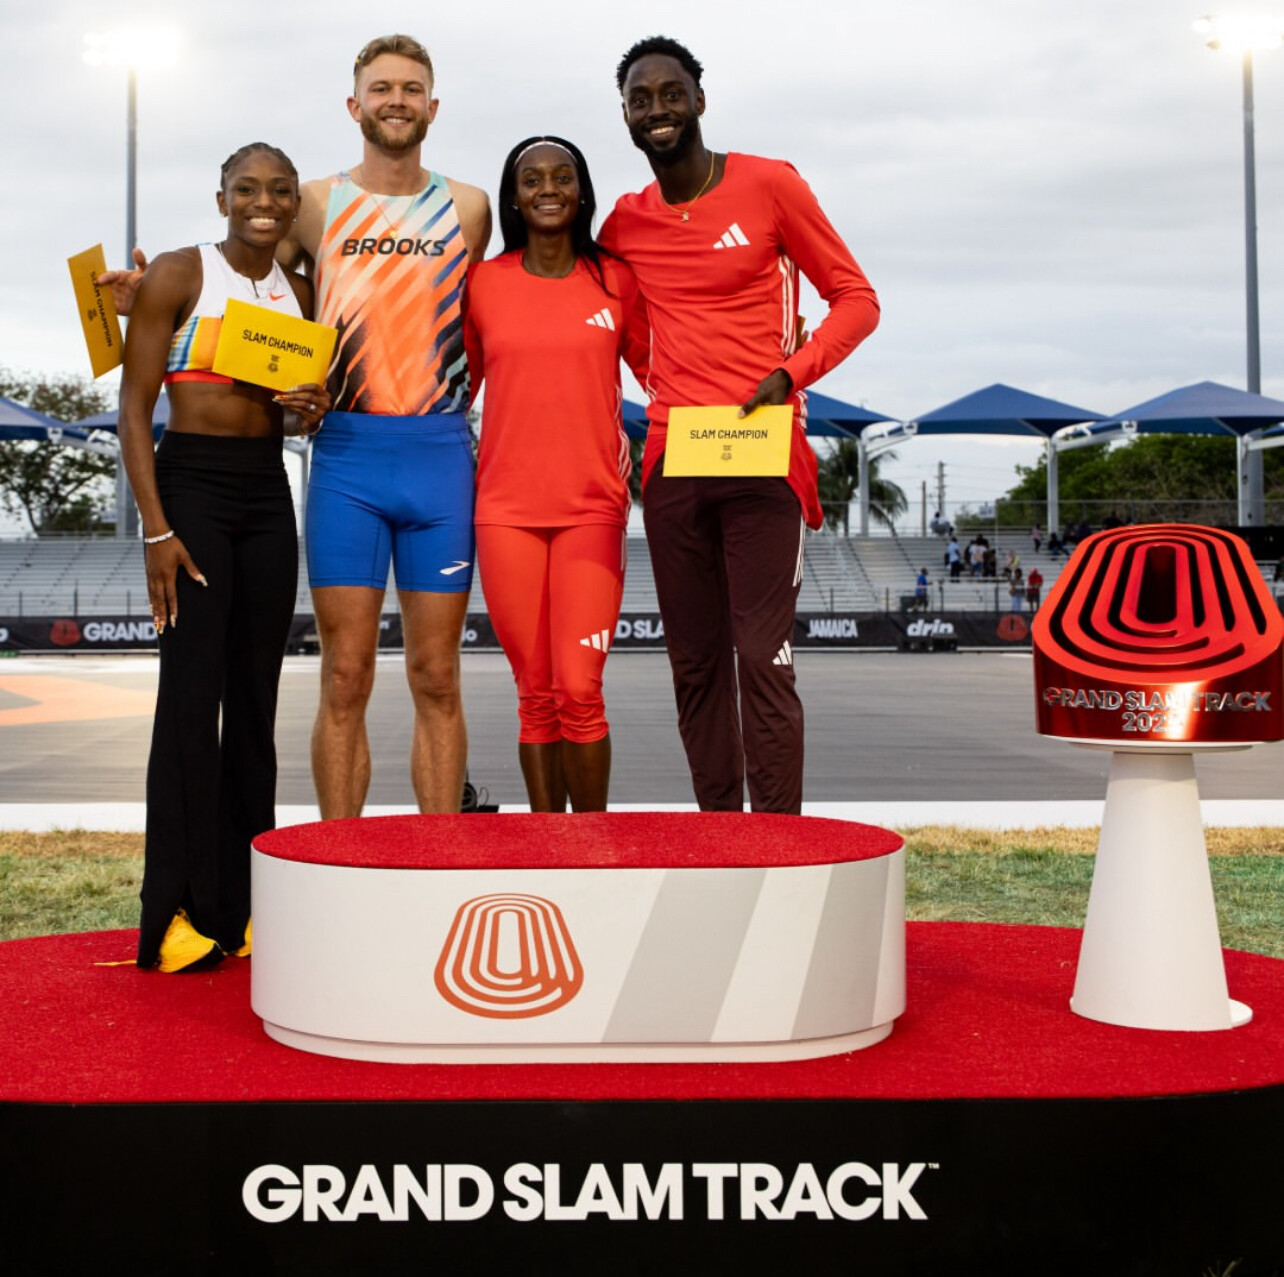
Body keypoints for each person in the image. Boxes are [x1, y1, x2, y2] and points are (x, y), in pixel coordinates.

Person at [102, 35, 490, 820]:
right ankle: (340, 860)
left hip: (440, 454)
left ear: (433, 106)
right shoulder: (311, 202)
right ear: (355, 105)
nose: (396, 100)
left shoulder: (472, 207)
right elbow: (245, 268)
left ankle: (441, 855)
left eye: (411, 88)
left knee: (437, 675)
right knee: (344, 675)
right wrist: (156, 295)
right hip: (347, 453)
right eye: (381, 88)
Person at [600, 36, 879, 813]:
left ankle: (779, 840)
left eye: (671, 93)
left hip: (763, 456)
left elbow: (856, 300)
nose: (657, 109)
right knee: (694, 665)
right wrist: (657, 382)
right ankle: (720, 833)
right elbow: (615, 321)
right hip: (674, 460)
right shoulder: (624, 223)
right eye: (640, 99)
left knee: (762, 655)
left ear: (699, 99)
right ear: (625, 115)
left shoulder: (769, 184)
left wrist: (792, 372)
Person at [117, 144, 329, 971]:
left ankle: (237, 909)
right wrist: (157, 529)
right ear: (222, 199)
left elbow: (297, 411)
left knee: (253, 705)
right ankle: (172, 914)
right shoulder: (179, 273)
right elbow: (134, 407)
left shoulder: (300, 292)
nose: (263, 202)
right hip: (192, 488)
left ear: (293, 204)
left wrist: (312, 406)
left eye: (279, 190)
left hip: (267, 493)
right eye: (247, 189)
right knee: (189, 701)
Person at [464, 136, 647, 811]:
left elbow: (665, 369)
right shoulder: (483, 283)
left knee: (579, 688)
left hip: (591, 509)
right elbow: (453, 388)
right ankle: (547, 846)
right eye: (532, 179)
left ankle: (591, 845)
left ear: (582, 191)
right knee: (535, 693)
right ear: (513, 197)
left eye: (562, 177)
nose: (548, 188)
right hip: (504, 511)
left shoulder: (616, 280)